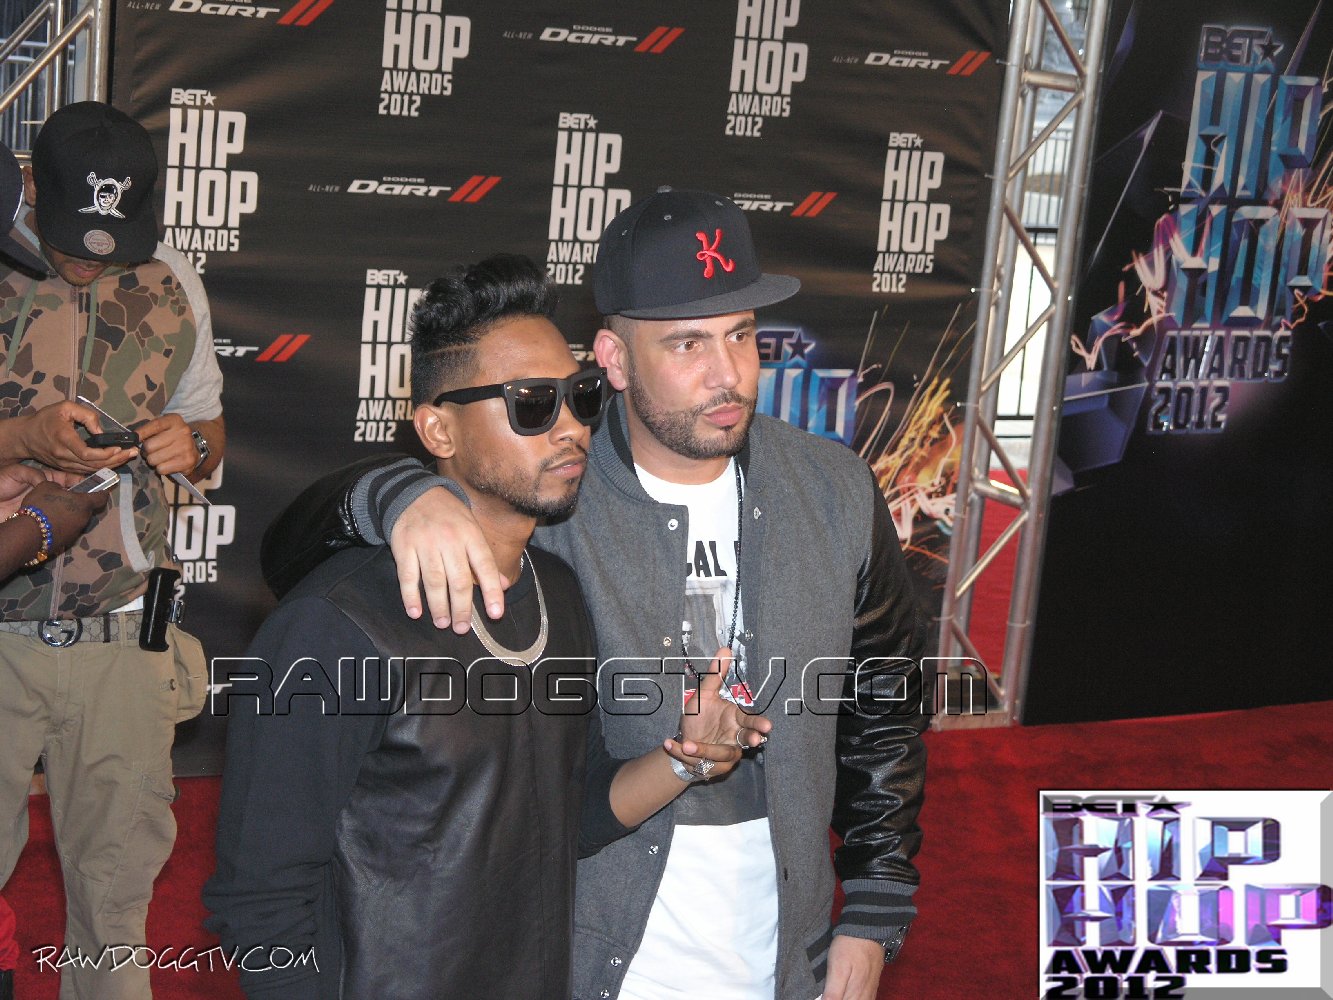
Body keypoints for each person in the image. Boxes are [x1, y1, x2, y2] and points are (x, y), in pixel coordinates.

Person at [264, 190, 928, 1000]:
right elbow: (295, 563)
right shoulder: (551, 488)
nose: (726, 374)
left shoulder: (833, 488)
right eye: (686, 343)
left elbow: (884, 701)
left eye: (741, 335)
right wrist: (392, 494)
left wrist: (875, 901)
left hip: (788, 950)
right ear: (613, 358)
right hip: (587, 956)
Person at [204, 254, 772, 1000]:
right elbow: (261, 902)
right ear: (438, 429)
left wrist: (687, 761)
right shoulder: (335, 624)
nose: (569, 428)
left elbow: (572, 814)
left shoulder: (557, 593)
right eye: (531, 404)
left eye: (580, 397)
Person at [0, 103, 225, 1000]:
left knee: (117, 913)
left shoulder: (173, 282)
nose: (91, 259)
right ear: (32, 186)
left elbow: (210, 432)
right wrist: (24, 437)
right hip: (0, 635)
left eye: (113, 241)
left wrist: (190, 445)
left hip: (124, 636)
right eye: (72, 239)